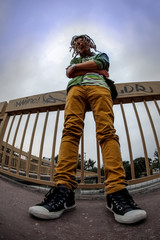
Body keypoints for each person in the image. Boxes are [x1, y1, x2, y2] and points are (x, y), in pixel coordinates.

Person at [29, 34, 147, 224]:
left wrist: (81, 69)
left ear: (90, 43)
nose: (79, 44)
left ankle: (116, 191)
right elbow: (69, 73)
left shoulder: (101, 55)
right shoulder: (74, 60)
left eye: (82, 41)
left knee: (107, 132)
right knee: (70, 131)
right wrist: (81, 69)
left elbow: (101, 65)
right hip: (76, 90)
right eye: (76, 43)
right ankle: (64, 191)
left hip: (100, 89)